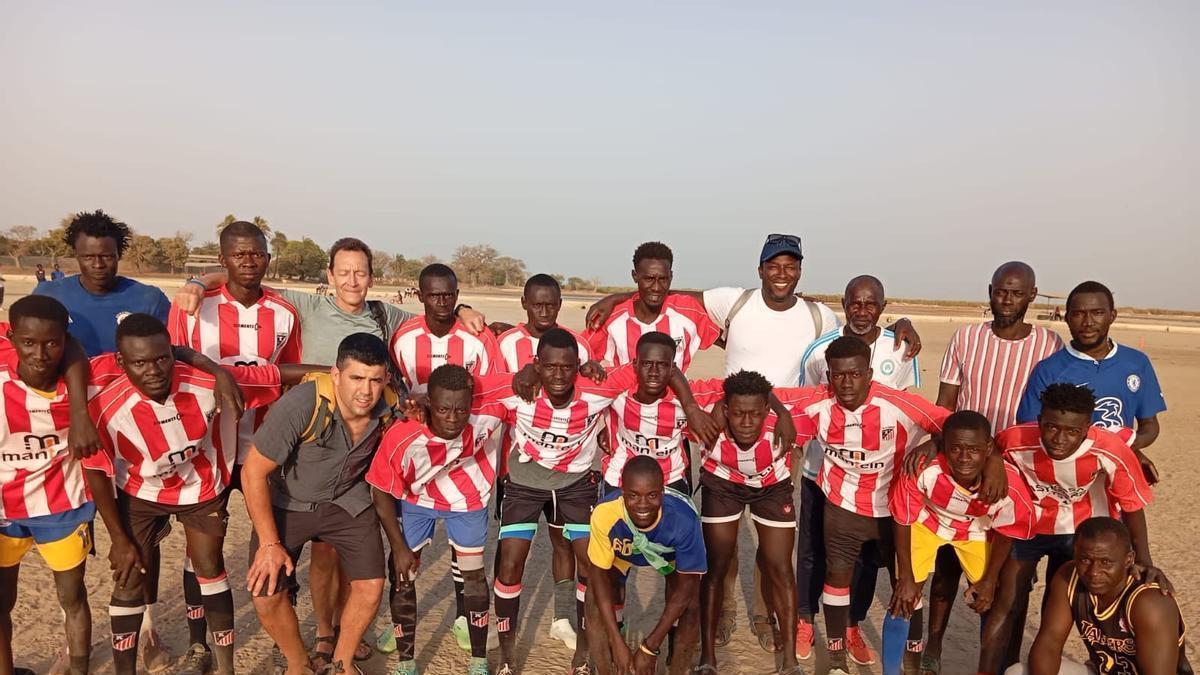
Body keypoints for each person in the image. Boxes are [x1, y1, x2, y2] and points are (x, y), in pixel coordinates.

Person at [587, 235, 921, 647]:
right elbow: (667, 291)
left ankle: (765, 618)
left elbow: (860, 329)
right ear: (760, 269)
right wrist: (618, 298)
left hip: (783, 438)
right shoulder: (735, 301)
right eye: (774, 266)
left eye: (791, 266)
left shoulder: (818, 315)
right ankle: (723, 612)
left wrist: (900, 326)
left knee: (772, 542)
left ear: (800, 271)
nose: (782, 274)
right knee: (720, 542)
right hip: (726, 432)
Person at [175, 239, 487, 664]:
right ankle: (317, 642)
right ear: (329, 276)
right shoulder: (306, 307)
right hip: (303, 445)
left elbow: (437, 309)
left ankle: (341, 650)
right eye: (344, 272)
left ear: (372, 277)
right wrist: (197, 281)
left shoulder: (384, 318)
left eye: (361, 272)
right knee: (294, 573)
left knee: (347, 563)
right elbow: (244, 280)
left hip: (350, 478)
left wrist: (466, 311)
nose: (352, 281)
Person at [477, 328, 717, 675]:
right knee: (511, 563)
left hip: (578, 484)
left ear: (578, 366)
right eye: (549, 367)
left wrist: (692, 406)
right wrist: (421, 402)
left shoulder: (598, 388)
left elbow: (660, 365)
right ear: (537, 365)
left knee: (594, 569)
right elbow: (467, 389)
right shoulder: (520, 388)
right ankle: (509, 659)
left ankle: (587, 658)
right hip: (528, 484)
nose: (558, 376)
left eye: (567, 367)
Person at [81, 313, 297, 675]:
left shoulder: (206, 383)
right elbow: (95, 469)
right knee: (130, 574)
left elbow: (274, 376)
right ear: (121, 362)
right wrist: (118, 538)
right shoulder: (105, 405)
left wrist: (340, 374)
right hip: (140, 493)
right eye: (139, 362)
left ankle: (225, 667)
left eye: (161, 358)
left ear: (173, 354)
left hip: (202, 487)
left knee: (209, 566)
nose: (153, 371)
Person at [167, 220, 302, 668]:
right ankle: (197, 643)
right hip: (208, 448)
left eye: (257, 253)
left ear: (267, 256)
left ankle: (288, 648)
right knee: (202, 548)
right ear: (222, 259)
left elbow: (291, 374)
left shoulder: (283, 313)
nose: (249, 261)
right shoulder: (193, 307)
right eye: (238, 254)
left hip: (266, 446)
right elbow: (173, 362)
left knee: (279, 541)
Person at [922, 260, 1063, 673]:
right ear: (990, 291)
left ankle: (1003, 658)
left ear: (1031, 296)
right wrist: (935, 447)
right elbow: (945, 404)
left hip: (1020, 469)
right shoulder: (966, 338)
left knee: (1007, 574)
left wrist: (1001, 458)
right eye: (1001, 291)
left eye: (1017, 293)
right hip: (963, 463)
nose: (1007, 299)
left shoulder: (1050, 345)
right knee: (948, 561)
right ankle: (933, 644)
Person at [784, 336, 951, 675]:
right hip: (842, 508)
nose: (846, 383)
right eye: (838, 375)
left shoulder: (899, 404)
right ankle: (836, 665)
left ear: (869, 373)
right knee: (836, 577)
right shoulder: (817, 401)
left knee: (908, 583)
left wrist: (934, 443)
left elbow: (956, 425)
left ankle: (910, 666)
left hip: (896, 514)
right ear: (828, 375)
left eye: (855, 374)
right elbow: (763, 395)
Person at [979, 383, 1161, 674]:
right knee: (1007, 601)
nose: (1059, 439)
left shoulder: (1110, 450)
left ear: (1088, 428)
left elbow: (1132, 506)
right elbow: (992, 447)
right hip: (1030, 525)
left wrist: (1144, 559)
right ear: (1038, 421)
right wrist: (994, 460)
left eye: (1072, 431)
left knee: (1058, 604)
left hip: (1082, 534)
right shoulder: (1015, 439)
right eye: (1051, 427)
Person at [242, 333, 395, 675]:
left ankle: (341, 662)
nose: (365, 391)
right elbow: (253, 472)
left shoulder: (390, 404)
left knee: (371, 586)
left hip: (347, 501)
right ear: (336, 375)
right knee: (265, 593)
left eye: (374, 380)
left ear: (385, 379)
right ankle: (299, 663)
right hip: (289, 502)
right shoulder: (303, 404)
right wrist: (269, 543)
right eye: (356, 378)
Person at [793, 274, 920, 664]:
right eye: (854, 303)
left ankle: (851, 624)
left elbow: (909, 406)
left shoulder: (900, 347)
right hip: (825, 473)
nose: (862, 311)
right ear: (844, 305)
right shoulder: (819, 351)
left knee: (867, 560)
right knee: (814, 551)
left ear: (882, 306)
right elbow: (808, 402)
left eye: (870, 304)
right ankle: (805, 620)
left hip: (880, 480)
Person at [367, 364, 504, 675]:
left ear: (472, 404)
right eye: (443, 409)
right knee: (402, 573)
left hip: (467, 501)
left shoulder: (489, 413)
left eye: (461, 409)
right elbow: (380, 493)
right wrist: (398, 547)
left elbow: (520, 380)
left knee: (473, 576)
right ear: (428, 402)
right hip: (418, 501)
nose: (453, 418)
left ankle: (479, 660)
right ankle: (406, 661)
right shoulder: (402, 435)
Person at [885, 411, 1038, 675]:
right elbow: (902, 517)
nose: (964, 458)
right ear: (943, 446)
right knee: (903, 597)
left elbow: (1007, 530)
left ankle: (988, 669)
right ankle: (890, 672)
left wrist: (989, 580)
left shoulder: (1008, 486)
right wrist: (906, 577)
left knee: (990, 597)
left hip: (974, 531)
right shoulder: (922, 468)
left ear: (988, 449)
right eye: (955, 449)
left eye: (973, 450)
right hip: (928, 522)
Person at [0, 296, 100, 675]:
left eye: (51, 343)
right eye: (28, 343)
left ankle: (79, 671)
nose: (40, 354)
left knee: (72, 597)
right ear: (11, 338)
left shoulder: (87, 383)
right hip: (4, 511)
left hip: (62, 505)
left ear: (65, 341)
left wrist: (79, 410)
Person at [495, 274, 591, 651]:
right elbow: (493, 387)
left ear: (560, 303)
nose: (545, 311)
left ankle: (563, 618)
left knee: (563, 544)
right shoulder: (506, 343)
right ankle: (501, 622)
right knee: (509, 550)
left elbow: (592, 378)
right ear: (524, 303)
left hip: (568, 470)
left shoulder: (576, 343)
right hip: (518, 464)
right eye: (538, 304)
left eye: (552, 304)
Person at [693, 370, 811, 675]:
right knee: (716, 566)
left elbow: (833, 399)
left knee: (780, 567)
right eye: (738, 414)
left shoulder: (787, 418)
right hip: (722, 484)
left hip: (772, 488)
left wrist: (783, 410)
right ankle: (708, 658)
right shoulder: (706, 414)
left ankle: (790, 663)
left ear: (767, 411)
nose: (747, 423)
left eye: (755, 414)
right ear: (725, 409)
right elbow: (665, 385)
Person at [1017, 281, 1166, 484]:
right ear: (1067, 318)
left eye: (1097, 313)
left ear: (1112, 316)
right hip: (1066, 481)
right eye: (1078, 314)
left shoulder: (1136, 363)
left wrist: (1127, 449)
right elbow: (1029, 428)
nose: (1088, 322)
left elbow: (1150, 427)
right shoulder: (1049, 369)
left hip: (1116, 478)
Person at [1012, 517, 1192, 675]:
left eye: (1105, 562)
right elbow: (1049, 644)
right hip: (1101, 670)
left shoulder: (1150, 602)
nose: (1094, 572)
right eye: (1085, 560)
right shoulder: (1068, 577)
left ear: (1129, 559)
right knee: (1017, 673)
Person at [586, 456, 706, 675]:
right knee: (593, 596)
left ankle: (678, 670)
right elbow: (598, 575)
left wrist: (649, 647)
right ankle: (606, 670)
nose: (642, 505)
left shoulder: (684, 519)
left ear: (662, 492)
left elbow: (686, 588)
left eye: (651, 495)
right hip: (625, 554)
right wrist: (617, 642)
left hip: (667, 558)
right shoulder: (604, 513)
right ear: (622, 493)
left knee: (692, 605)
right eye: (633, 496)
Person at [33, 210, 171, 357]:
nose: (98, 265)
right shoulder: (47, 295)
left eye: (106, 256)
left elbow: (169, 353)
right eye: (88, 257)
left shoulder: (150, 299)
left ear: (119, 255)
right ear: (76, 255)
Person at [582, 241, 720, 372]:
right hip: (622, 396)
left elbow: (729, 340)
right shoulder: (611, 317)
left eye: (663, 279)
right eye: (648, 279)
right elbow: (579, 354)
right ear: (635, 276)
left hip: (676, 397)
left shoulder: (689, 311)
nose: (656, 287)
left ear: (671, 276)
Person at [389, 263, 502, 395]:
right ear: (420, 296)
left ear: (457, 294)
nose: (442, 303)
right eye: (434, 296)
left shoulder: (480, 337)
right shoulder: (401, 338)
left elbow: (495, 390)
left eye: (448, 295)